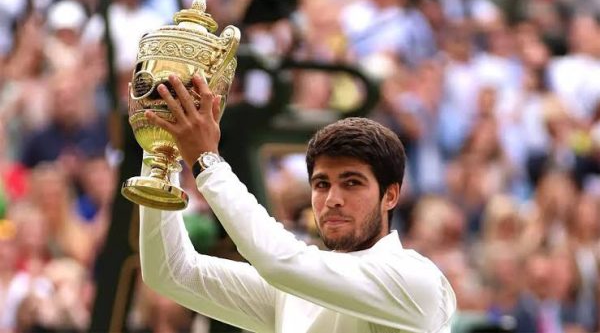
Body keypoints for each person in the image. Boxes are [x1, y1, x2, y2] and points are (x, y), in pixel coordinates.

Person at [139, 73, 456, 333]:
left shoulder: (415, 279)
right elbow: (170, 272)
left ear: (390, 195)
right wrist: (160, 152)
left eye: (352, 183)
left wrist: (206, 161)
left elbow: (279, 261)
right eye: (321, 184)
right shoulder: (295, 288)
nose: (332, 199)